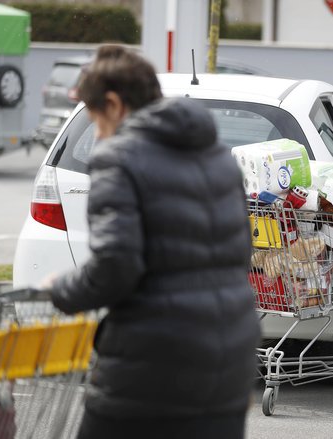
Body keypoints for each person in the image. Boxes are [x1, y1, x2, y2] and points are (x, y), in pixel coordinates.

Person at [39, 45, 260, 438]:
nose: (98, 132)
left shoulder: (118, 159)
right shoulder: (218, 157)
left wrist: (61, 290)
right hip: (230, 355)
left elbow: (115, 267)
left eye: (95, 119)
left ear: (113, 103)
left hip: (154, 362)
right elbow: (240, 255)